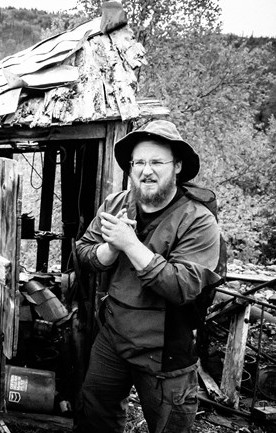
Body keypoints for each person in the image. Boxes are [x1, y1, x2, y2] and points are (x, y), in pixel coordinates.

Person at [74, 120, 223, 433]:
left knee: (170, 425)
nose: (146, 170)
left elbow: (182, 286)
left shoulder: (198, 220)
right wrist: (109, 252)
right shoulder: (116, 204)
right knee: (94, 416)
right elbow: (83, 253)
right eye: (139, 162)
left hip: (166, 350)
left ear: (178, 166)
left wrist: (130, 245)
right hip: (113, 337)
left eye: (157, 162)